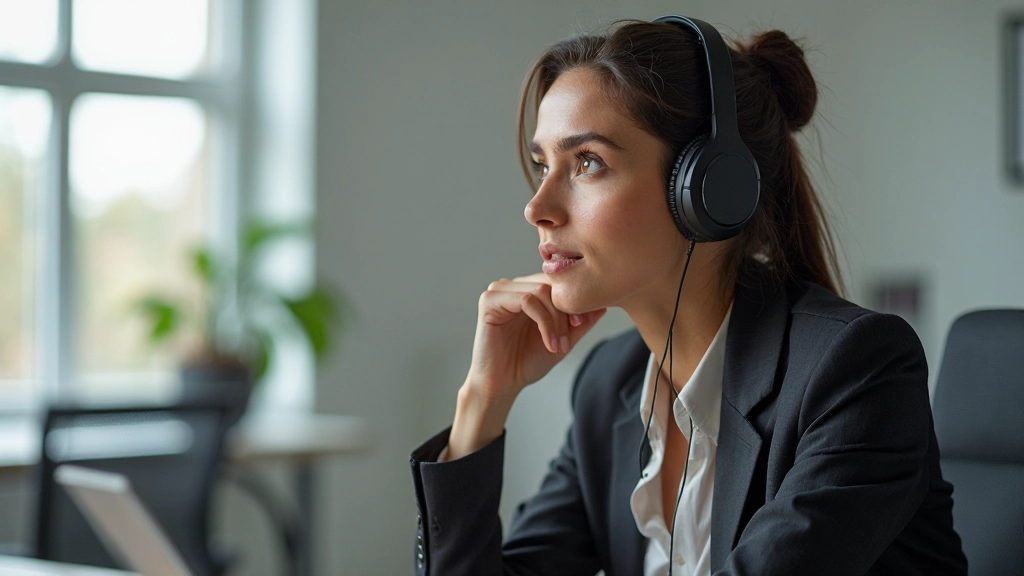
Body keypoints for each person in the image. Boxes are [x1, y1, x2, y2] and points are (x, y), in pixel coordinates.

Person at [408, 15, 967, 576]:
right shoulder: (610, 385)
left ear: (703, 188)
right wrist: (484, 398)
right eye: (542, 165)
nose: (538, 209)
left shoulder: (855, 368)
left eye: (587, 163)